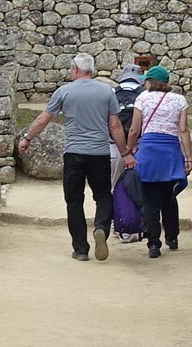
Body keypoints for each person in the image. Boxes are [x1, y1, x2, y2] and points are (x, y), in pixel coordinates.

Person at [18, 52, 128, 261]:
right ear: (92, 70)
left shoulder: (64, 92)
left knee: (74, 200)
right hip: (99, 152)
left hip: (74, 153)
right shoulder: (106, 91)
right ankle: (101, 227)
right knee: (103, 195)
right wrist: (125, 153)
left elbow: (43, 119)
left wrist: (27, 138)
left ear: (76, 69)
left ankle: (80, 249)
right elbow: (115, 125)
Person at [128, 65, 192, 259]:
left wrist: (128, 150)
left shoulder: (142, 99)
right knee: (169, 196)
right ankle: (172, 237)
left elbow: (134, 130)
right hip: (170, 152)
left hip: (148, 152)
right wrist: (188, 157)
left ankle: (154, 244)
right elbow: (183, 130)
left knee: (150, 200)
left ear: (150, 82)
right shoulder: (179, 100)